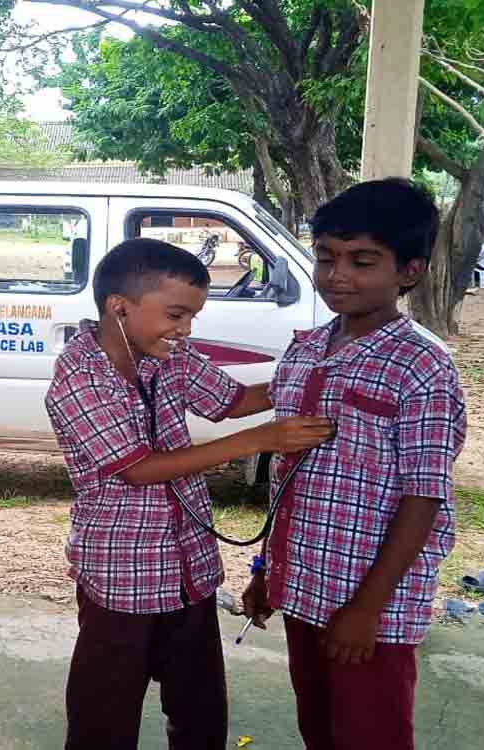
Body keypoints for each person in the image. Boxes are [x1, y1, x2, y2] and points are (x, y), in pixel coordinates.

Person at [45, 239, 335, 750]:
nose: (186, 330)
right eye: (176, 314)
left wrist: (304, 375)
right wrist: (261, 441)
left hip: (188, 569)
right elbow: (139, 469)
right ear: (119, 308)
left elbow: (234, 400)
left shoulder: (167, 359)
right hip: (122, 573)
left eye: (192, 317)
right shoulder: (79, 379)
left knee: (200, 710)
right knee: (103, 718)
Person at [242, 178, 467, 750]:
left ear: (408, 271)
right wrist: (267, 573)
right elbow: (290, 480)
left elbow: (424, 497)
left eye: (362, 261)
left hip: (371, 606)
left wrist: (365, 610)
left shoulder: (423, 366)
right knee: (319, 727)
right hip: (305, 586)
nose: (337, 274)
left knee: (372, 734)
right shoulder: (307, 347)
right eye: (326, 257)